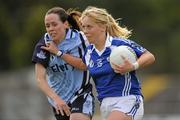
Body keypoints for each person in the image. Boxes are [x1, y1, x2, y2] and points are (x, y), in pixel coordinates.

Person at [44, 6, 155, 120]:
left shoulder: (119, 45)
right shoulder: (89, 52)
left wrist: (133, 66)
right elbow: (82, 65)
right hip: (105, 104)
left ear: (102, 27)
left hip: (127, 100)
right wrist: (58, 53)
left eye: (89, 27)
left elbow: (149, 56)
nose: (85, 31)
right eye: (83, 27)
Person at [32, 7, 94, 120]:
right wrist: (56, 99)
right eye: (47, 26)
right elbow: (40, 79)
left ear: (66, 24)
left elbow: (85, 65)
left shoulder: (80, 38)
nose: (50, 29)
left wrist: (58, 53)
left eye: (54, 24)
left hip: (81, 93)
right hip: (58, 100)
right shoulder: (43, 45)